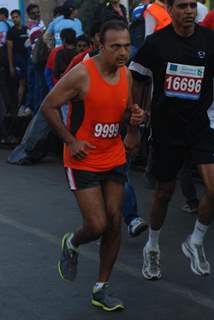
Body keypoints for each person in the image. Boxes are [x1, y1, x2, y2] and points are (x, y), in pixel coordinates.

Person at [41, 20, 144, 311]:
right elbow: (48, 106)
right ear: (100, 44)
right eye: (116, 47)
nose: (123, 52)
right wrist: (70, 140)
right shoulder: (81, 75)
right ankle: (71, 243)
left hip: (113, 157)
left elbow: (126, 113)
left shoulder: (126, 76)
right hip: (82, 159)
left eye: (126, 46)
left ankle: (101, 288)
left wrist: (135, 124)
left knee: (114, 223)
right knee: (97, 224)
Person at [130, 0, 214, 280]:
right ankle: (152, 247)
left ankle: (195, 241)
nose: (189, 11)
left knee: (213, 189)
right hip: (166, 129)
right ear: (169, 9)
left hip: (200, 126)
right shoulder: (156, 43)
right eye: (182, 6)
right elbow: (138, 79)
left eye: (192, 5)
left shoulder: (209, 39)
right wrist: (136, 114)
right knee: (164, 193)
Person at [7, 9, 28, 114]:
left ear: (20, 17)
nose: (15, 19)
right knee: (21, 83)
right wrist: (11, 65)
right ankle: (19, 106)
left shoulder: (26, 29)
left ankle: (27, 106)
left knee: (28, 83)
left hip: (28, 59)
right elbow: (9, 49)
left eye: (16, 17)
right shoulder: (11, 32)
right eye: (13, 17)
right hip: (18, 60)